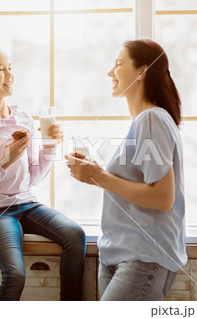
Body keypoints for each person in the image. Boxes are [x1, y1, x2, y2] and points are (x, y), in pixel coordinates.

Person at [0, 45, 86, 301]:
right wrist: (5, 161)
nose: (10, 74)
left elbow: (32, 176)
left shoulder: (23, 118)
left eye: (10, 68)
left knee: (75, 234)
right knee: (15, 274)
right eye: (1, 70)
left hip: (28, 204)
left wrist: (49, 145)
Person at [65, 39, 187, 301]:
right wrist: (94, 174)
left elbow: (162, 198)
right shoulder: (143, 122)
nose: (111, 72)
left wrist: (97, 177)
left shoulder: (151, 119)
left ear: (142, 71)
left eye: (119, 64)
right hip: (120, 254)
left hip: (143, 256)